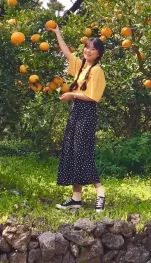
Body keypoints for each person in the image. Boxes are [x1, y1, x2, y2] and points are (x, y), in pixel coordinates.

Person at [48, 23, 107, 212]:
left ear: (99, 54)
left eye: (93, 49)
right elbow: (67, 53)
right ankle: (76, 199)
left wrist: (72, 95)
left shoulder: (97, 71)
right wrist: (58, 33)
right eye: (87, 47)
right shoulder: (82, 66)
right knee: (73, 153)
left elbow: (93, 97)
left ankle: (100, 193)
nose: (88, 51)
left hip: (87, 113)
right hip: (76, 112)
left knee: (83, 153)